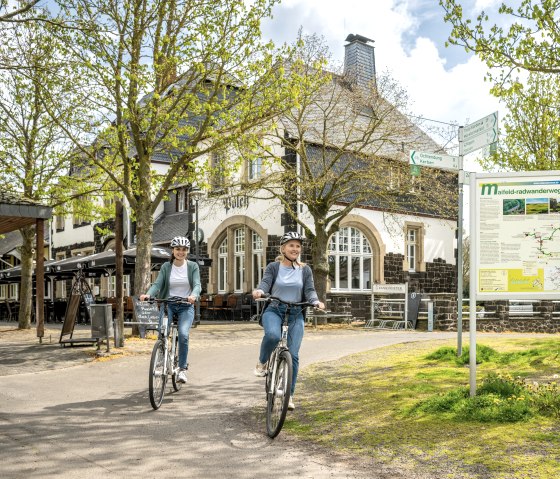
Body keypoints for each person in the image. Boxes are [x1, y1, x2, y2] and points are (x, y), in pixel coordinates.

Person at [252, 231, 325, 410]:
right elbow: (265, 283)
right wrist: (260, 291)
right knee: (272, 336)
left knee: (293, 355)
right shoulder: (273, 267)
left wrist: (315, 301)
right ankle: (262, 362)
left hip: (296, 313)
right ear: (283, 248)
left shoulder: (305, 269)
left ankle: (289, 395)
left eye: (298, 246)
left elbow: (310, 290)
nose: (295, 249)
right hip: (275, 310)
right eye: (291, 245)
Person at [140, 236, 201, 383]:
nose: (181, 252)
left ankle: (182, 369)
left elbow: (197, 284)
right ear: (172, 251)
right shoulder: (166, 267)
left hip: (186, 306)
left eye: (184, 249)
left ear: (187, 251)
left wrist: (193, 295)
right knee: (162, 331)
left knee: (184, 334)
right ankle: (161, 357)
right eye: (178, 249)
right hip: (168, 305)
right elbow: (158, 284)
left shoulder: (192, 266)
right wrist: (148, 294)